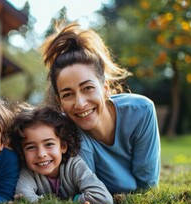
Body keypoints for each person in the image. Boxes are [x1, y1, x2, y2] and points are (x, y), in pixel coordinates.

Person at [41, 23, 161, 194]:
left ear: (105, 89)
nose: (80, 103)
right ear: (59, 102)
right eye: (68, 94)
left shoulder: (141, 111)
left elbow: (147, 185)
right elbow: (92, 191)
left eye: (87, 88)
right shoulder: (68, 133)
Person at [10, 106, 113, 204]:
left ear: (63, 146)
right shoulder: (28, 172)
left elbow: (103, 198)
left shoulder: (74, 165)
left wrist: (74, 200)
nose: (41, 154)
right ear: (22, 150)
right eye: (31, 147)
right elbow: (23, 199)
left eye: (49, 144)